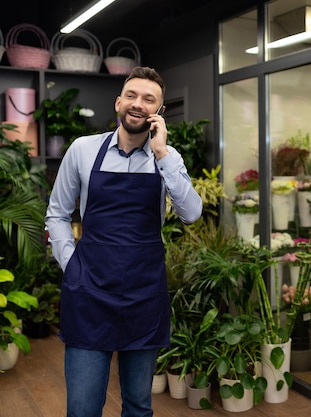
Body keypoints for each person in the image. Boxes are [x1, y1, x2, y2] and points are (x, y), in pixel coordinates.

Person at [45, 66, 203, 417]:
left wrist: (162, 154)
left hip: (144, 294)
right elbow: (57, 214)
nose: (138, 104)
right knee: (83, 408)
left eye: (149, 100)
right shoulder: (83, 150)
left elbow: (191, 213)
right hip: (89, 293)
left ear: (159, 113)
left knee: (138, 406)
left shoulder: (168, 159)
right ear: (118, 102)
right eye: (131, 95)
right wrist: (72, 266)